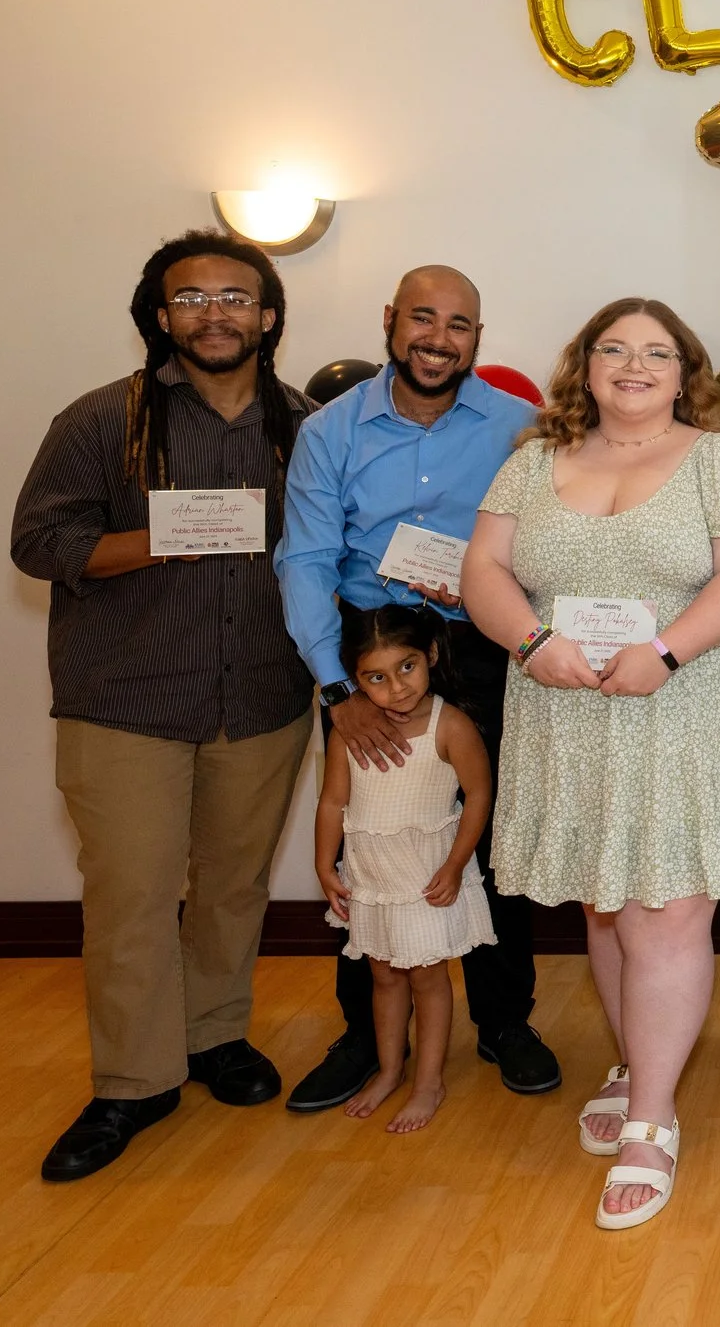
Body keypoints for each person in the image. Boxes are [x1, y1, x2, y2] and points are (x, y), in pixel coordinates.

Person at [460, 298, 720, 1232]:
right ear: (586, 365)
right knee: (607, 900)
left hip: (682, 706)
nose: (632, 366)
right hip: (566, 705)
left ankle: (651, 1119)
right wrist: (529, 641)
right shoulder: (531, 462)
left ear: (686, 373)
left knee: (668, 909)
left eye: (654, 353)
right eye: (613, 349)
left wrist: (667, 651)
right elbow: (486, 568)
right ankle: (639, 1062)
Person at [10, 230, 316, 1182]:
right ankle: (132, 1082)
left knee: (232, 884)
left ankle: (215, 1036)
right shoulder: (105, 419)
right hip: (125, 700)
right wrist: (159, 538)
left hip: (264, 694)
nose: (215, 314)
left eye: (236, 297)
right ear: (159, 314)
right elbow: (38, 540)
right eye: (192, 298)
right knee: (132, 896)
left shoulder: (306, 426)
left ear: (268, 315)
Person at [275, 265, 560, 1112]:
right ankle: (367, 1036)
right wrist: (338, 690)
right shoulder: (331, 433)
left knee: (495, 830)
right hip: (372, 652)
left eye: (460, 324)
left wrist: (490, 583)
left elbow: (553, 542)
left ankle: (505, 1019)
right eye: (423, 320)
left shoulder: (523, 430)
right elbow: (304, 560)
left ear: (478, 335)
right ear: (391, 321)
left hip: (480, 646)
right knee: (375, 836)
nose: (439, 339)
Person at [312, 604, 496, 1134]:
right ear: (356, 680)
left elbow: (479, 793)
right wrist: (326, 865)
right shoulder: (350, 733)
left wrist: (457, 864)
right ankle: (391, 1068)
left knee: (427, 978)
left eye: (407, 667)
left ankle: (429, 1082)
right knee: (383, 976)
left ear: (431, 656)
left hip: (425, 877)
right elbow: (332, 803)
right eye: (376, 677)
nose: (396, 687)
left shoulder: (450, 724)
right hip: (372, 878)